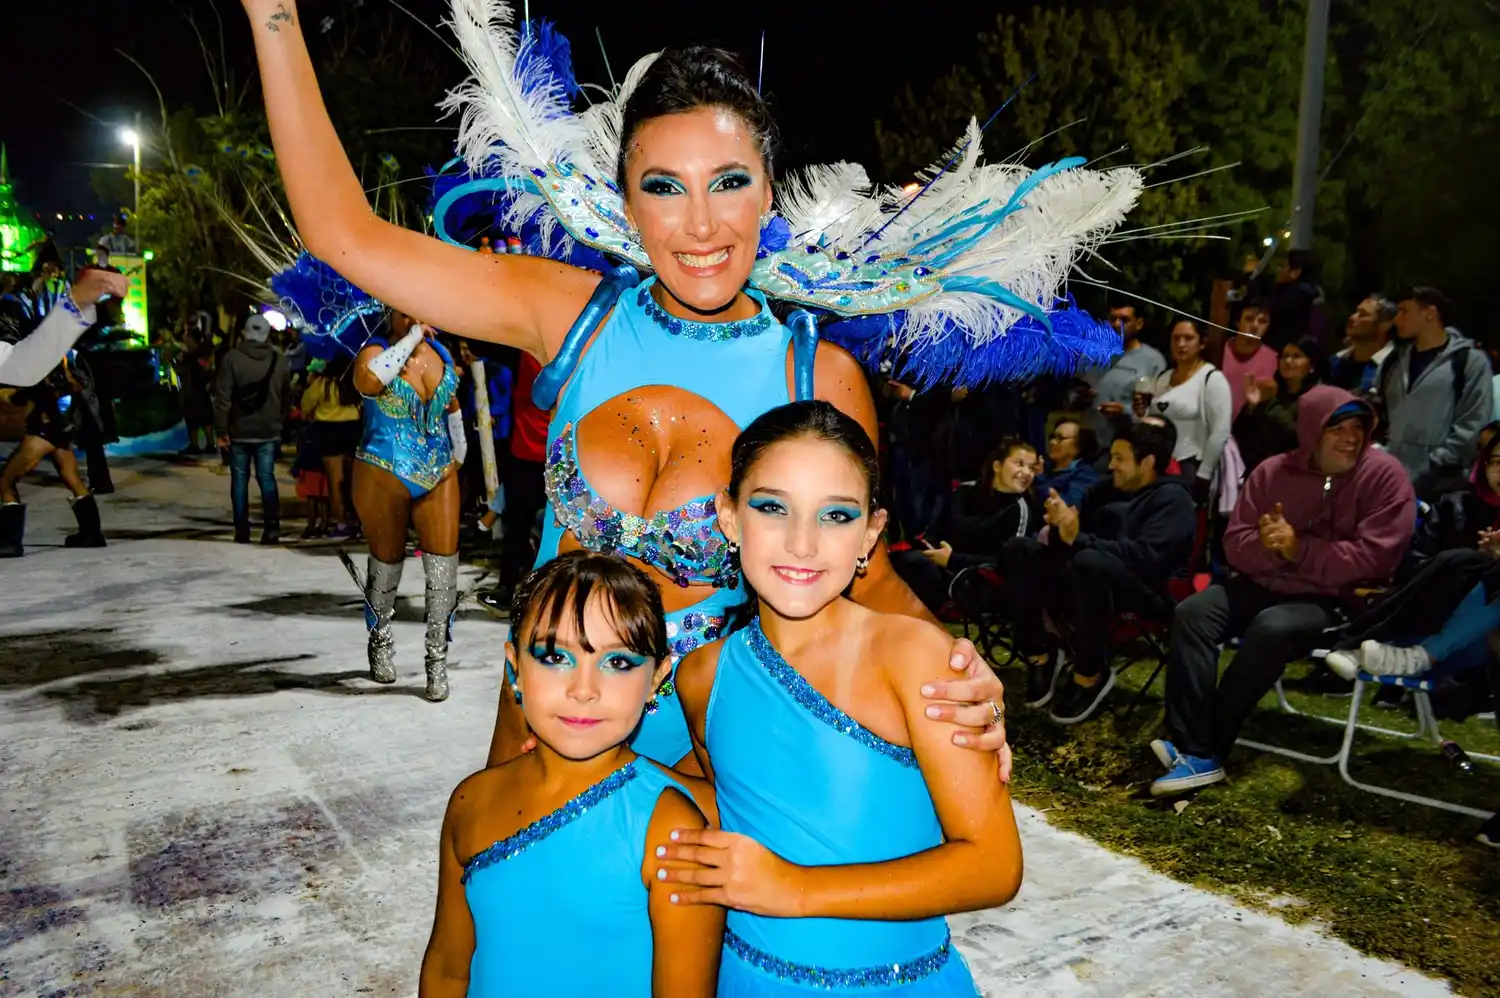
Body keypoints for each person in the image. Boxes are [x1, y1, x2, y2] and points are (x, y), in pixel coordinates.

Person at [239, 1, 1139, 767]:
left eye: (730, 183)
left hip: (712, 762)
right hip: (541, 738)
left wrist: (954, 667)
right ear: (626, 201)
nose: (701, 223)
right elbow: (342, 234)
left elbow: (864, 578)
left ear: (769, 195)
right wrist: (272, 13)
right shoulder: (568, 312)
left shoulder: (814, 376)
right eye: (665, 186)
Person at [663, 401, 1022, 995]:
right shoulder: (703, 675)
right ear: (728, 517)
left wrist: (794, 888)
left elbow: (993, 865)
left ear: (870, 533)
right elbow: (725, 790)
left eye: (834, 515)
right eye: (772, 507)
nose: (802, 543)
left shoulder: (913, 657)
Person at [420, 551, 723, 996]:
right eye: (553, 657)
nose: (584, 690)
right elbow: (448, 970)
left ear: (658, 677)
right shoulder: (471, 803)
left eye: (618, 663)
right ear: (514, 668)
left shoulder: (670, 831)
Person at [1151, 387, 1415, 797]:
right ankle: (1192, 741)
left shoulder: (1384, 475)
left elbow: (1376, 559)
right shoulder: (1272, 472)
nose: (1351, 438)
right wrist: (1270, 547)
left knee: (1271, 628)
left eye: (1358, 428)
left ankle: (1204, 750)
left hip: (1332, 599)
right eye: (1337, 429)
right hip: (1263, 581)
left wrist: (1299, 549)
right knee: (1194, 612)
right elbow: (1235, 545)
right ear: (1311, 432)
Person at [1001, 421, 1195, 719]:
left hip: (1144, 590)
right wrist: (1060, 527)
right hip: (1085, 579)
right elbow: (1072, 541)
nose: (1111, 465)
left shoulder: (1172, 499)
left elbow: (1146, 557)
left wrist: (1077, 540)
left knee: (1090, 561)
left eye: (1120, 458)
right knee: (1019, 550)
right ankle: (1041, 656)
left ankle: (1090, 673)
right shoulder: (1105, 490)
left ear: (1147, 462)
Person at [352, 310, 465, 703]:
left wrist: (462, 447)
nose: (418, 314)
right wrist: (410, 337)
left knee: (443, 568)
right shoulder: (373, 352)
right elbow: (371, 382)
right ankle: (380, 640)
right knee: (387, 561)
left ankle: (437, 661)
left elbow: (451, 405)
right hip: (384, 469)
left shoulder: (442, 355)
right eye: (406, 309)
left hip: (440, 471)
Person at [0, 257, 121, 557]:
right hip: (59, 426)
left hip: (44, 426)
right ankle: (91, 533)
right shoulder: (59, 355)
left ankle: (10, 541)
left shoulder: (39, 358)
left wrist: (21, 396)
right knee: (72, 479)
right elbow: (71, 384)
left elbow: (42, 381)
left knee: (5, 481)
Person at [891, 438, 1039, 615]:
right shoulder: (964, 491)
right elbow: (935, 530)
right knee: (901, 560)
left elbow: (1006, 563)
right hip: (938, 566)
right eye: (1019, 464)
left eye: (1031, 468)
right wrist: (932, 551)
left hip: (978, 580)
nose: (1026, 472)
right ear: (997, 466)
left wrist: (952, 559)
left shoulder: (1019, 510)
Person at [1382, 285, 1493, 498]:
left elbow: (1472, 424)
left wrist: (1434, 465)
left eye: (1405, 311)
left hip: (1442, 486)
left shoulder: (1468, 361)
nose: (1397, 320)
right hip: (1391, 479)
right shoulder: (1395, 361)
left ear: (1430, 314)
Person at [214, 313, 291, 545]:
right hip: (268, 429)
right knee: (267, 477)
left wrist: (221, 430)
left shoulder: (232, 359)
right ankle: (272, 528)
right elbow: (287, 396)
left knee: (239, 479)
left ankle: (242, 530)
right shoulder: (279, 361)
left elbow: (223, 398)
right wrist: (280, 421)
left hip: (239, 429)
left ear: (245, 333)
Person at [1141, 317, 1232, 501]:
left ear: (1201, 343)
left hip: (1189, 465)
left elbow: (1220, 431)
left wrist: (1204, 474)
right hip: (1157, 466)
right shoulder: (1162, 378)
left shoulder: (1211, 379)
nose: (1181, 344)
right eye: (1176, 338)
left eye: (1188, 338)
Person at [1233, 337, 1327, 473]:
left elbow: (1295, 437)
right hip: (1257, 470)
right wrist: (1251, 407)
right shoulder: (1271, 390)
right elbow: (1239, 433)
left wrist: (1270, 402)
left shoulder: (1317, 397)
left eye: (1296, 356)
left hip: (1290, 474)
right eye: (1285, 356)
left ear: (1312, 366)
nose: (1288, 361)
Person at [1080, 302, 1167, 446]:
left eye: (1124, 320)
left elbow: (1158, 408)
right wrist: (1080, 397)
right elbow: (1073, 395)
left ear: (1139, 323)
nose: (1116, 324)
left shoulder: (1153, 360)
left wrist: (1125, 411)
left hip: (1128, 443)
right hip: (1090, 442)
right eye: (1112, 319)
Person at [298, 355, 361, 538]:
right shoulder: (353, 383)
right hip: (352, 429)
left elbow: (306, 405)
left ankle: (342, 523)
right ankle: (357, 519)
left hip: (328, 430)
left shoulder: (323, 384)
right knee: (353, 480)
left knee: (335, 481)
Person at [1218, 299, 1278, 418]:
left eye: (1262, 321)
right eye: (1249, 319)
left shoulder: (1274, 359)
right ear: (1238, 322)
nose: (1255, 325)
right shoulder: (1219, 350)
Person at [1328, 295, 1395, 394]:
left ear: (1384, 325)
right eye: (1356, 312)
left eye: (1363, 315)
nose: (1352, 318)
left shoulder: (1393, 367)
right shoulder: (1336, 362)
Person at [1035, 418, 1098, 507]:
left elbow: (1066, 505)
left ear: (1079, 445)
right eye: (1052, 437)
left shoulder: (1085, 475)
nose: (1052, 442)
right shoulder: (1044, 466)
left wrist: (1039, 479)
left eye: (1061, 438)